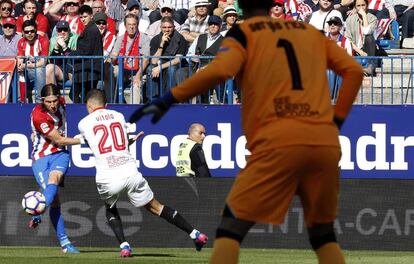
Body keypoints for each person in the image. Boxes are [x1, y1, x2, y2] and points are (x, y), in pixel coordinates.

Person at [128, 0, 364, 263]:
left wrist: (167, 99)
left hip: (279, 140)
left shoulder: (244, 33)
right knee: (323, 237)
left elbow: (217, 71)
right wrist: (337, 121)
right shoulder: (305, 31)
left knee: (230, 229)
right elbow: (354, 70)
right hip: (323, 143)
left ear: (242, 8)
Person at [77, 89, 208, 257]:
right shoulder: (117, 115)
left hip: (108, 176)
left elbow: (96, 144)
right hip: (130, 171)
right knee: (156, 207)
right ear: (106, 105)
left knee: (110, 208)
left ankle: (124, 246)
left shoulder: (84, 123)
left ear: (89, 105)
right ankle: (195, 233)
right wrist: (130, 140)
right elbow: (119, 143)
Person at [30, 83, 82, 253]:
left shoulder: (61, 102)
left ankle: (38, 213)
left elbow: (60, 146)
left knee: (54, 179)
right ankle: (64, 243)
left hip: (60, 155)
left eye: (55, 101)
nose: (52, 105)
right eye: (48, 102)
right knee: (54, 199)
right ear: (42, 101)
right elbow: (59, 140)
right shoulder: (38, 115)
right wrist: (86, 140)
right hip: (41, 158)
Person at [147, 16, 188, 101]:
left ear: (174, 27)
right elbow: (154, 60)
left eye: (169, 27)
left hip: (175, 64)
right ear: (160, 28)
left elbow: (178, 59)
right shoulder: (155, 39)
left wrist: (160, 67)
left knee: (172, 69)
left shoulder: (180, 38)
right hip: (160, 62)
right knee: (150, 68)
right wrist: (161, 45)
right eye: (164, 27)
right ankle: (153, 100)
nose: (167, 29)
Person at [70, 4, 103, 103]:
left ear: (91, 16)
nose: (83, 19)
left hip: (88, 71)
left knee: (77, 96)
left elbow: (85, 51)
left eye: (85, 16)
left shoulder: (91, 30)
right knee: (83, 97)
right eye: (81, 17)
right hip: (87, 70)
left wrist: (67, 51)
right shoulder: (90, 29)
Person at [17, 19, 49, 103]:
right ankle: (19, 100)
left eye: (32, 31)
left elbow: (43, 63)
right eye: (27, 32)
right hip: (28, 70)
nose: (29, 33)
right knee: (16, 71)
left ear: (35, 30)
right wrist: (20, 65)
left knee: (39, 71)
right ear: (23, 32)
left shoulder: (43, 40)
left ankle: (39, 101)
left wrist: (27, 65)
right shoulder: (21, 42)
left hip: (41, 70)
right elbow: (20, 58)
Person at [345, 0, 377, 76]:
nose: (361, 8)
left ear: (367, 6)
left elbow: (366, 31)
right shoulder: (350, 19)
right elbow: (348, 40)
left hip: (368, 47)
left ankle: (370, 67)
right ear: (355, 7)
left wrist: (364, 16)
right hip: (356, 49)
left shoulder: (373, 18)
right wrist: (360, 52)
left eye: (363, 5)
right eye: (358, 6)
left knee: (369, 37)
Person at [46, 20, 79, 86]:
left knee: (72, 67)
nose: (62, 32)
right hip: (61, 69)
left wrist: (64, 46)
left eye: (65, 30)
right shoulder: (53, 40)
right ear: (57, 32)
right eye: (60, 30)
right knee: (49, 68)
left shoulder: (76, 38)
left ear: (69, 30)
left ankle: (74, 95)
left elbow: (74, 59)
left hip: (73, 68)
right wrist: (56, 47)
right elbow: (52, 61)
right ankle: (52, 95)